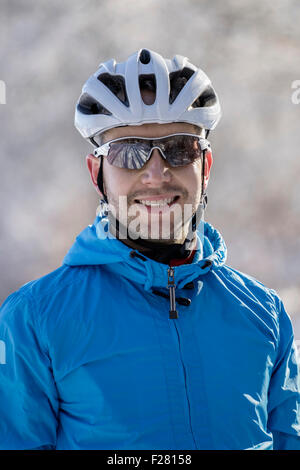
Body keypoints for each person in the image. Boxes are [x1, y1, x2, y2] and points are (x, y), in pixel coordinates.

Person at [0, 48, 299, 451]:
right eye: (129, 152)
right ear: (97, 174)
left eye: (180, 149)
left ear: (205, 166)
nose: (156, 174)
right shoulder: (33, 320)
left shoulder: (266, 314)